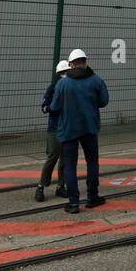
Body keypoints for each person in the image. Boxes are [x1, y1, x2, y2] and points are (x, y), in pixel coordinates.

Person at [53, 48, 109, 214]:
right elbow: (104, 101)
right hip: (90, 128)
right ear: (86, 62)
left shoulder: (62, 84)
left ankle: (73, 203)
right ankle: (92, 197)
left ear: (70, 64)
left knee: (70, 165)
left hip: (68, 129)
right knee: (92, 163)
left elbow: (55, 106)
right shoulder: (96, 80)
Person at [35, 60, 71, 202]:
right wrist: (52, 107)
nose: (65, 75)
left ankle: (61, 186)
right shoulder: (53, 88)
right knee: (53, 156)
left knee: (64, 159)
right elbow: (44, 106)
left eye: (66, 72)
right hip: (55, 128)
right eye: (63, 73)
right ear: (59, 74)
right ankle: (41, 186)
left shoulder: (71, 88)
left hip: (67, 128)